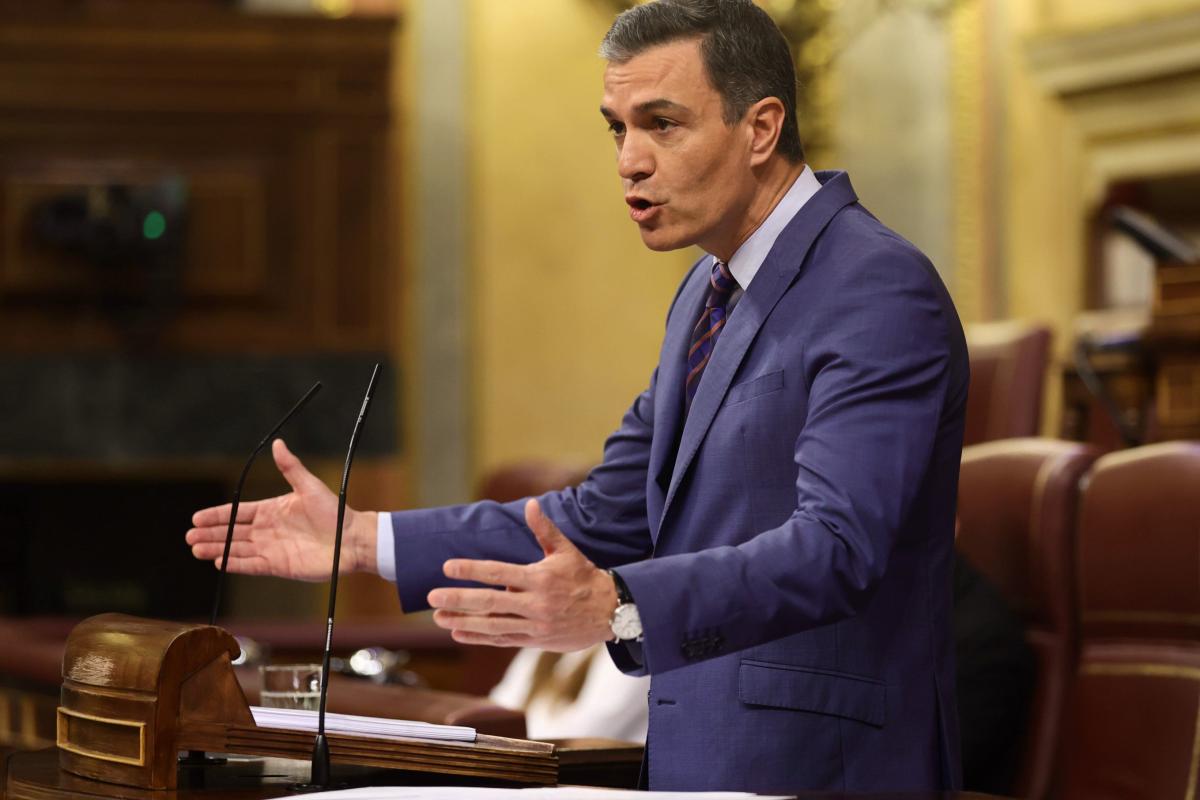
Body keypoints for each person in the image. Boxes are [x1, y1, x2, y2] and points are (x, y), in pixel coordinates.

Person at [187, 0, 968, 792]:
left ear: (760, 129)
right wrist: (365, 540)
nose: (630, 161)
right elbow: (602, 515)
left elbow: (838, 547)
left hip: (821, 772)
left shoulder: (874, 284)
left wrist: (619, 606)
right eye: (617, 129)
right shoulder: (705, 292)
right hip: (702, 766)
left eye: (662, 124)